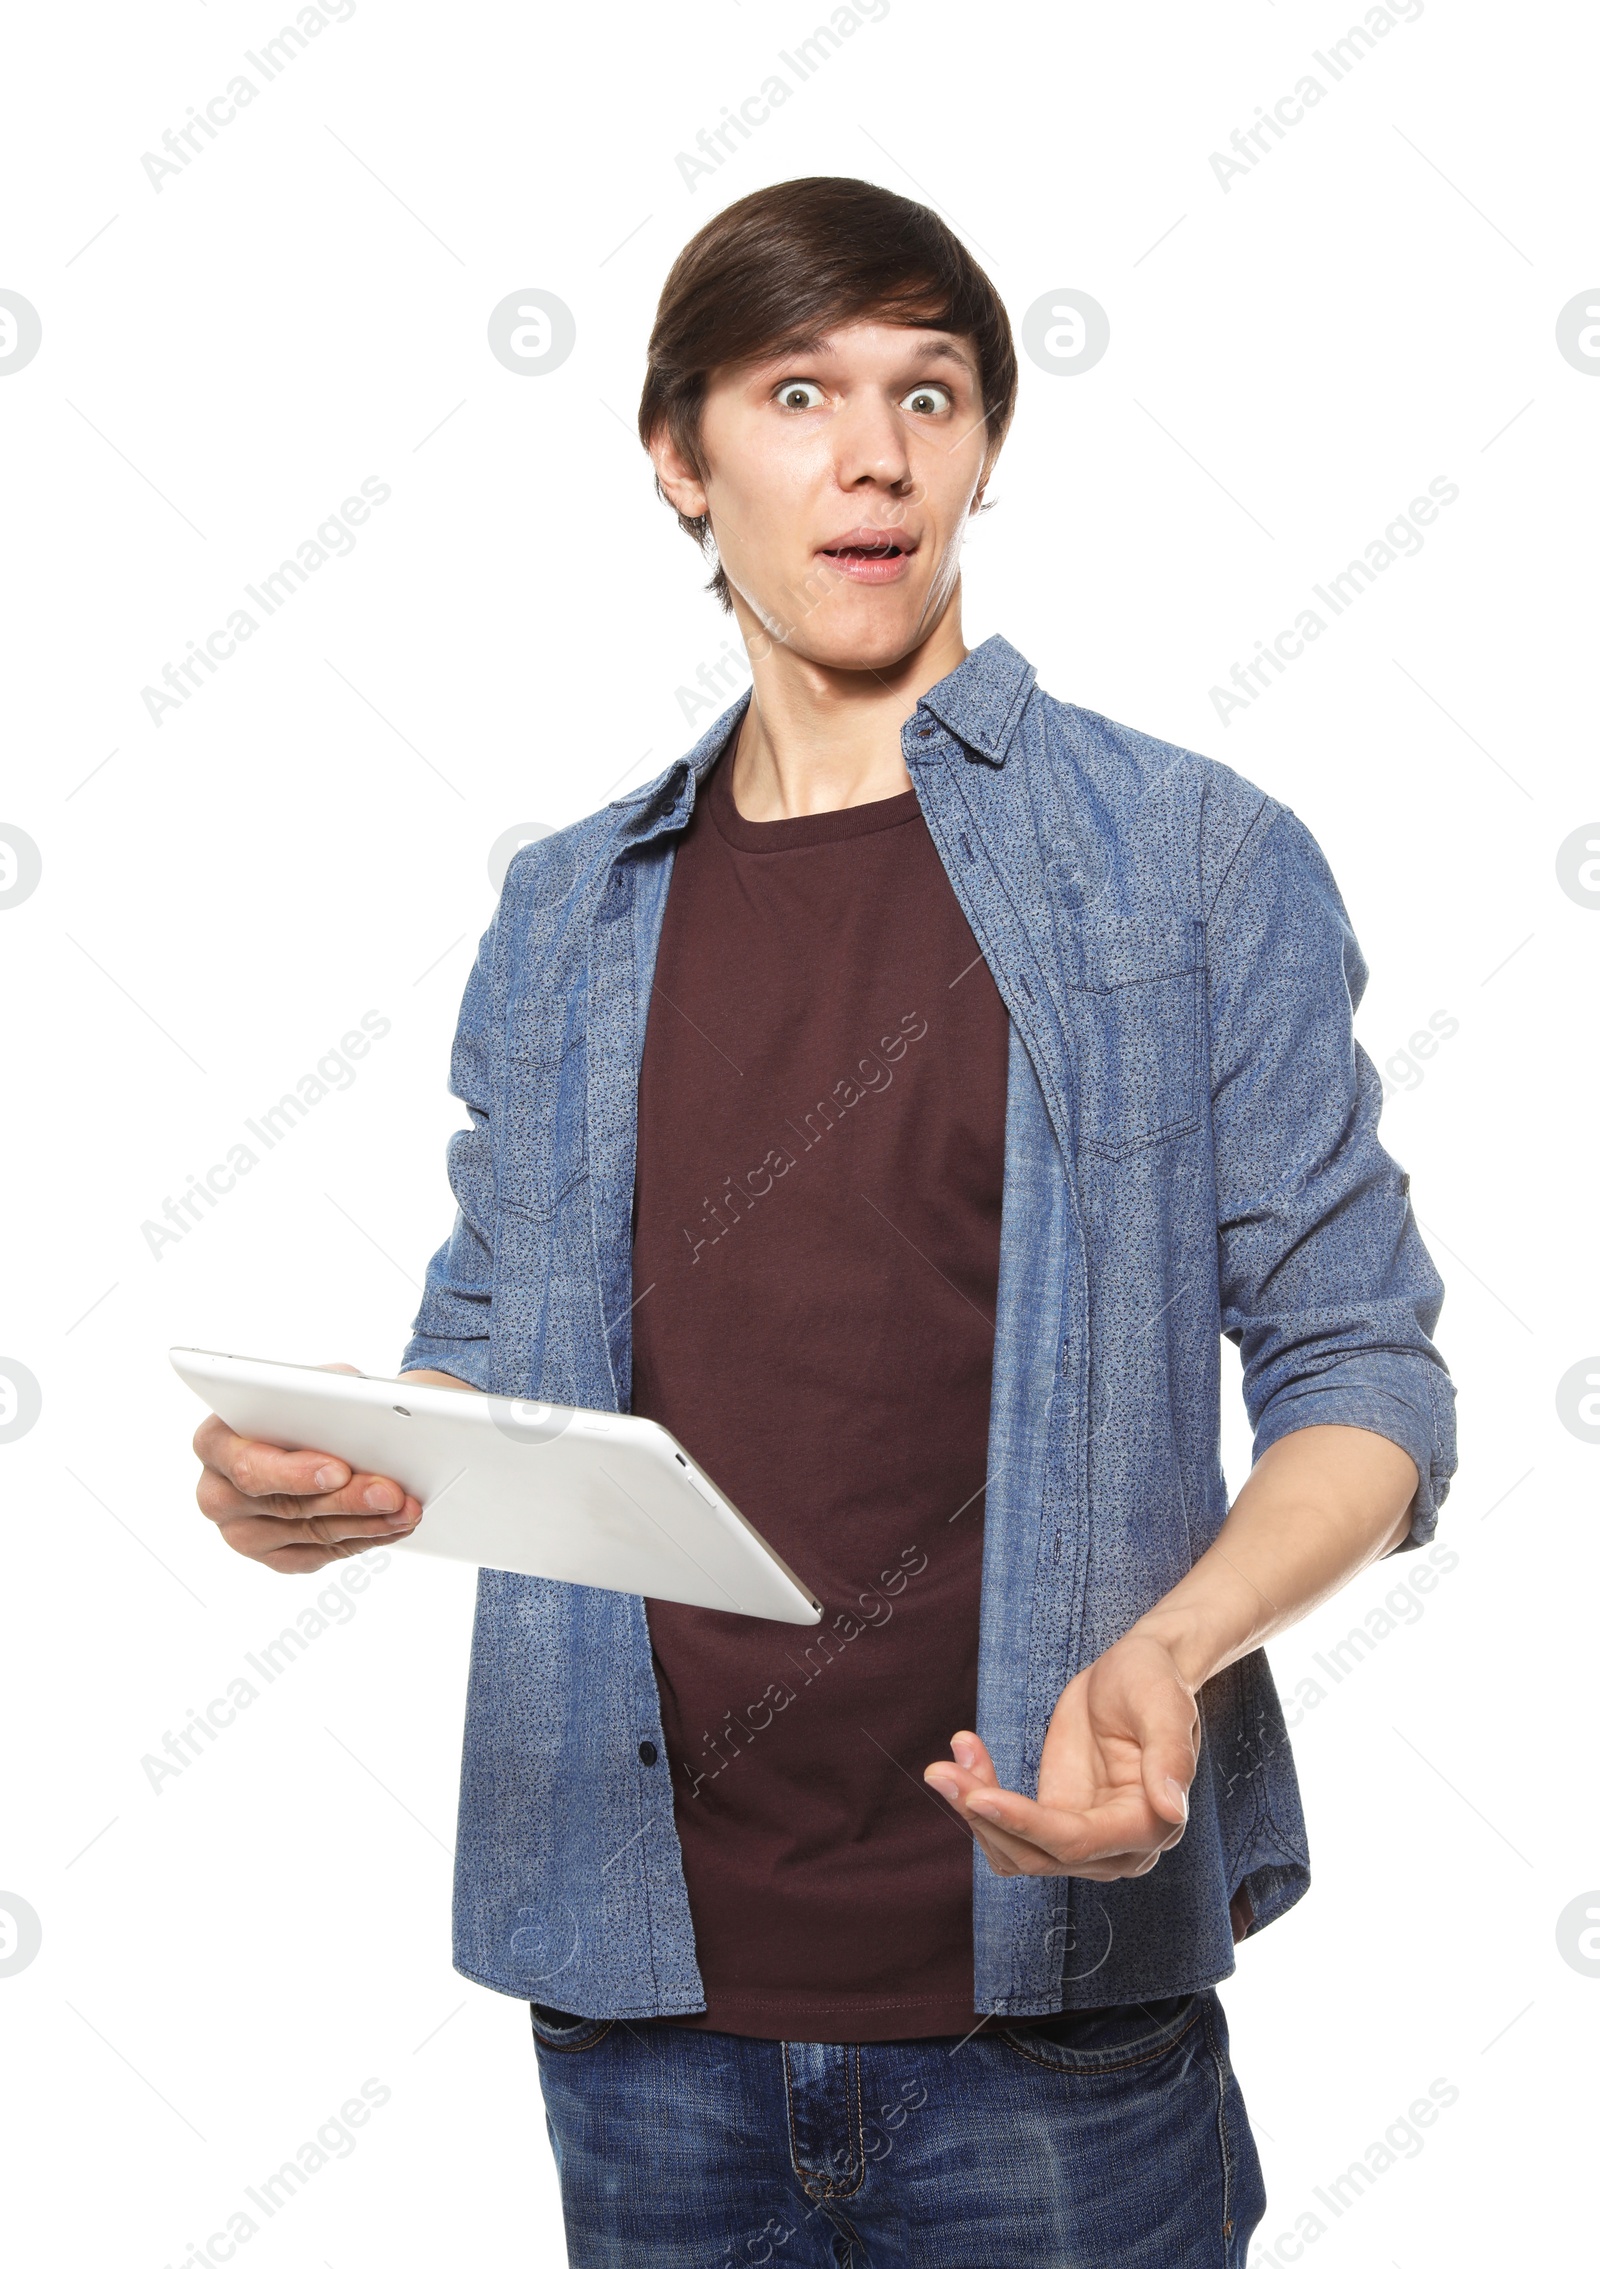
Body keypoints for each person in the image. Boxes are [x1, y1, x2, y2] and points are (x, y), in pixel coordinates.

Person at [191, 176, 1458, 2266]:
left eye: (927, 394)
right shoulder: (567, 915)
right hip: (637, 2017)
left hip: (1052, 2017)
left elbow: (1361, 1369)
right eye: (797, 392)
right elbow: (503, 1358)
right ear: (678, 460)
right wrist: (349, 1467)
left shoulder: (1193, 862)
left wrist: (1173, 1638)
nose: (871, 454)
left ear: (976, 447)